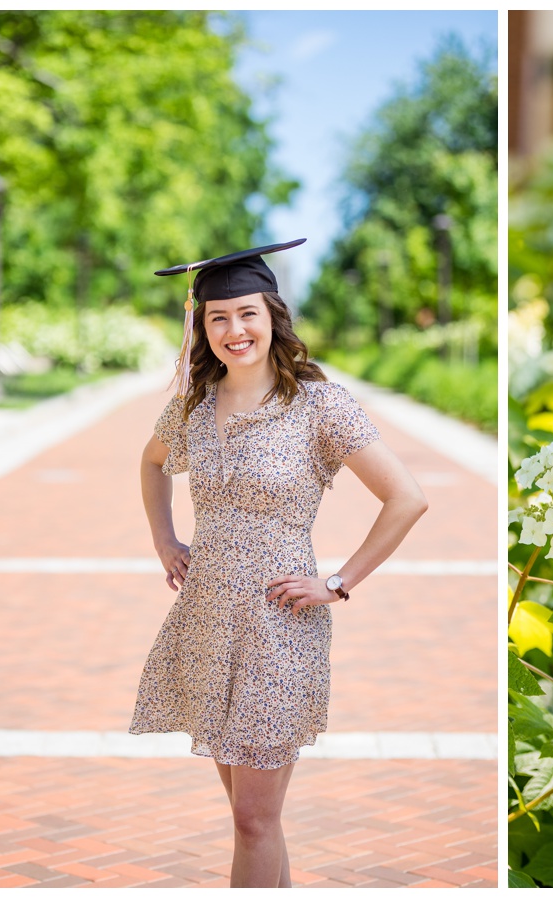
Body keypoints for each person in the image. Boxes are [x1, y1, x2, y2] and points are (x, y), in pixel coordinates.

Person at [129, 240, 428, 888]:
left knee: (253, 821)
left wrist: (337, 582)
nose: (234, 330)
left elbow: (407, 498)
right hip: (206, 618)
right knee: (249, 819)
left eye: (246, 313)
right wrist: (165, 539)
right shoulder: (193, 408)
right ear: (203, 328)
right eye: (218, 318)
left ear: (272, 315)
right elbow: (151, 463)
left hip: (278, 625)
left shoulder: (320, 405)